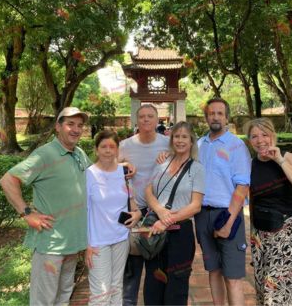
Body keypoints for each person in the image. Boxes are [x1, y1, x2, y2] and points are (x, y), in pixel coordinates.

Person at [0, 107, 91, 306]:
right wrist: (27, 213)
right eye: (70, 124)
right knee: (44, 301)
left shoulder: (79, 153)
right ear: (58, 127)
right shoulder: (45, 154)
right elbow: (8, 180)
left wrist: (123, 167)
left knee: (64, 296)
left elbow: (97, 177)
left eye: (80, 125)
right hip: (51, 244)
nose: (76, 129)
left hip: (72, 244)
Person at [245, 118, 292, 305]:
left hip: (287, 232)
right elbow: (252, 202)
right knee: (263, 285)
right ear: (250, 141)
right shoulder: (251, 165)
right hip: (261, 233)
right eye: (254, 136)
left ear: (273, 135)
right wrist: (253, 235)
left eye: (265, 134)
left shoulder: (290, 158)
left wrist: (279, 160)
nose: (260, 140)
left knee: (281, 288)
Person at [194, 97, 251, 305]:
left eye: (220, 113)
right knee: (214, 271)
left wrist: (228, 222)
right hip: (202, 215)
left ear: (226, 118)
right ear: (206, 117)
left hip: (228, 214)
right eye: (211, 113)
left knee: (233, 277)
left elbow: (242, 186)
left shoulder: (236, 146)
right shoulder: (199, 145)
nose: (215, 117)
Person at [144, 121, 205, 305]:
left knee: (176, 286)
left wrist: (167, 220)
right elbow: (148, 190)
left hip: (180, 231)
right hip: (156, 229)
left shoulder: (197, 169)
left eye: (184, 137)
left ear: (191, 141)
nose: (180, 140)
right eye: (176, 136)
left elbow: (196, 206)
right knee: (154, 282)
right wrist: (160, 210)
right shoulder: (162, 162)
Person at [119, 104, 169, 306]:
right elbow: (105, 167)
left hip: (158, 214)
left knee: (156, 274)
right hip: (131, 212)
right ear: (136, 120)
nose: (146, 120)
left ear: (158, 120)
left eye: (150, 116)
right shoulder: (124, 145)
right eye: (142, 116)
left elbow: (186, 163)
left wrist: (171, 157)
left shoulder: (168, 143)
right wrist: (122, 165)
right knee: (130, 273)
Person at [85, 130, 142, 305]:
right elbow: (84, 211)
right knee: (100, 294)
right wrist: (86, 244)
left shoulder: (123, 173)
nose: (108, 150)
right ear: (96, 150)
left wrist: (138, 214)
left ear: (117, 150)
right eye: (103, 146)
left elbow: (131, 201)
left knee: (116, 287)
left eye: (112, 146)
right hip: (97, 243)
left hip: (120, 238)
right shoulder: (89, 174)